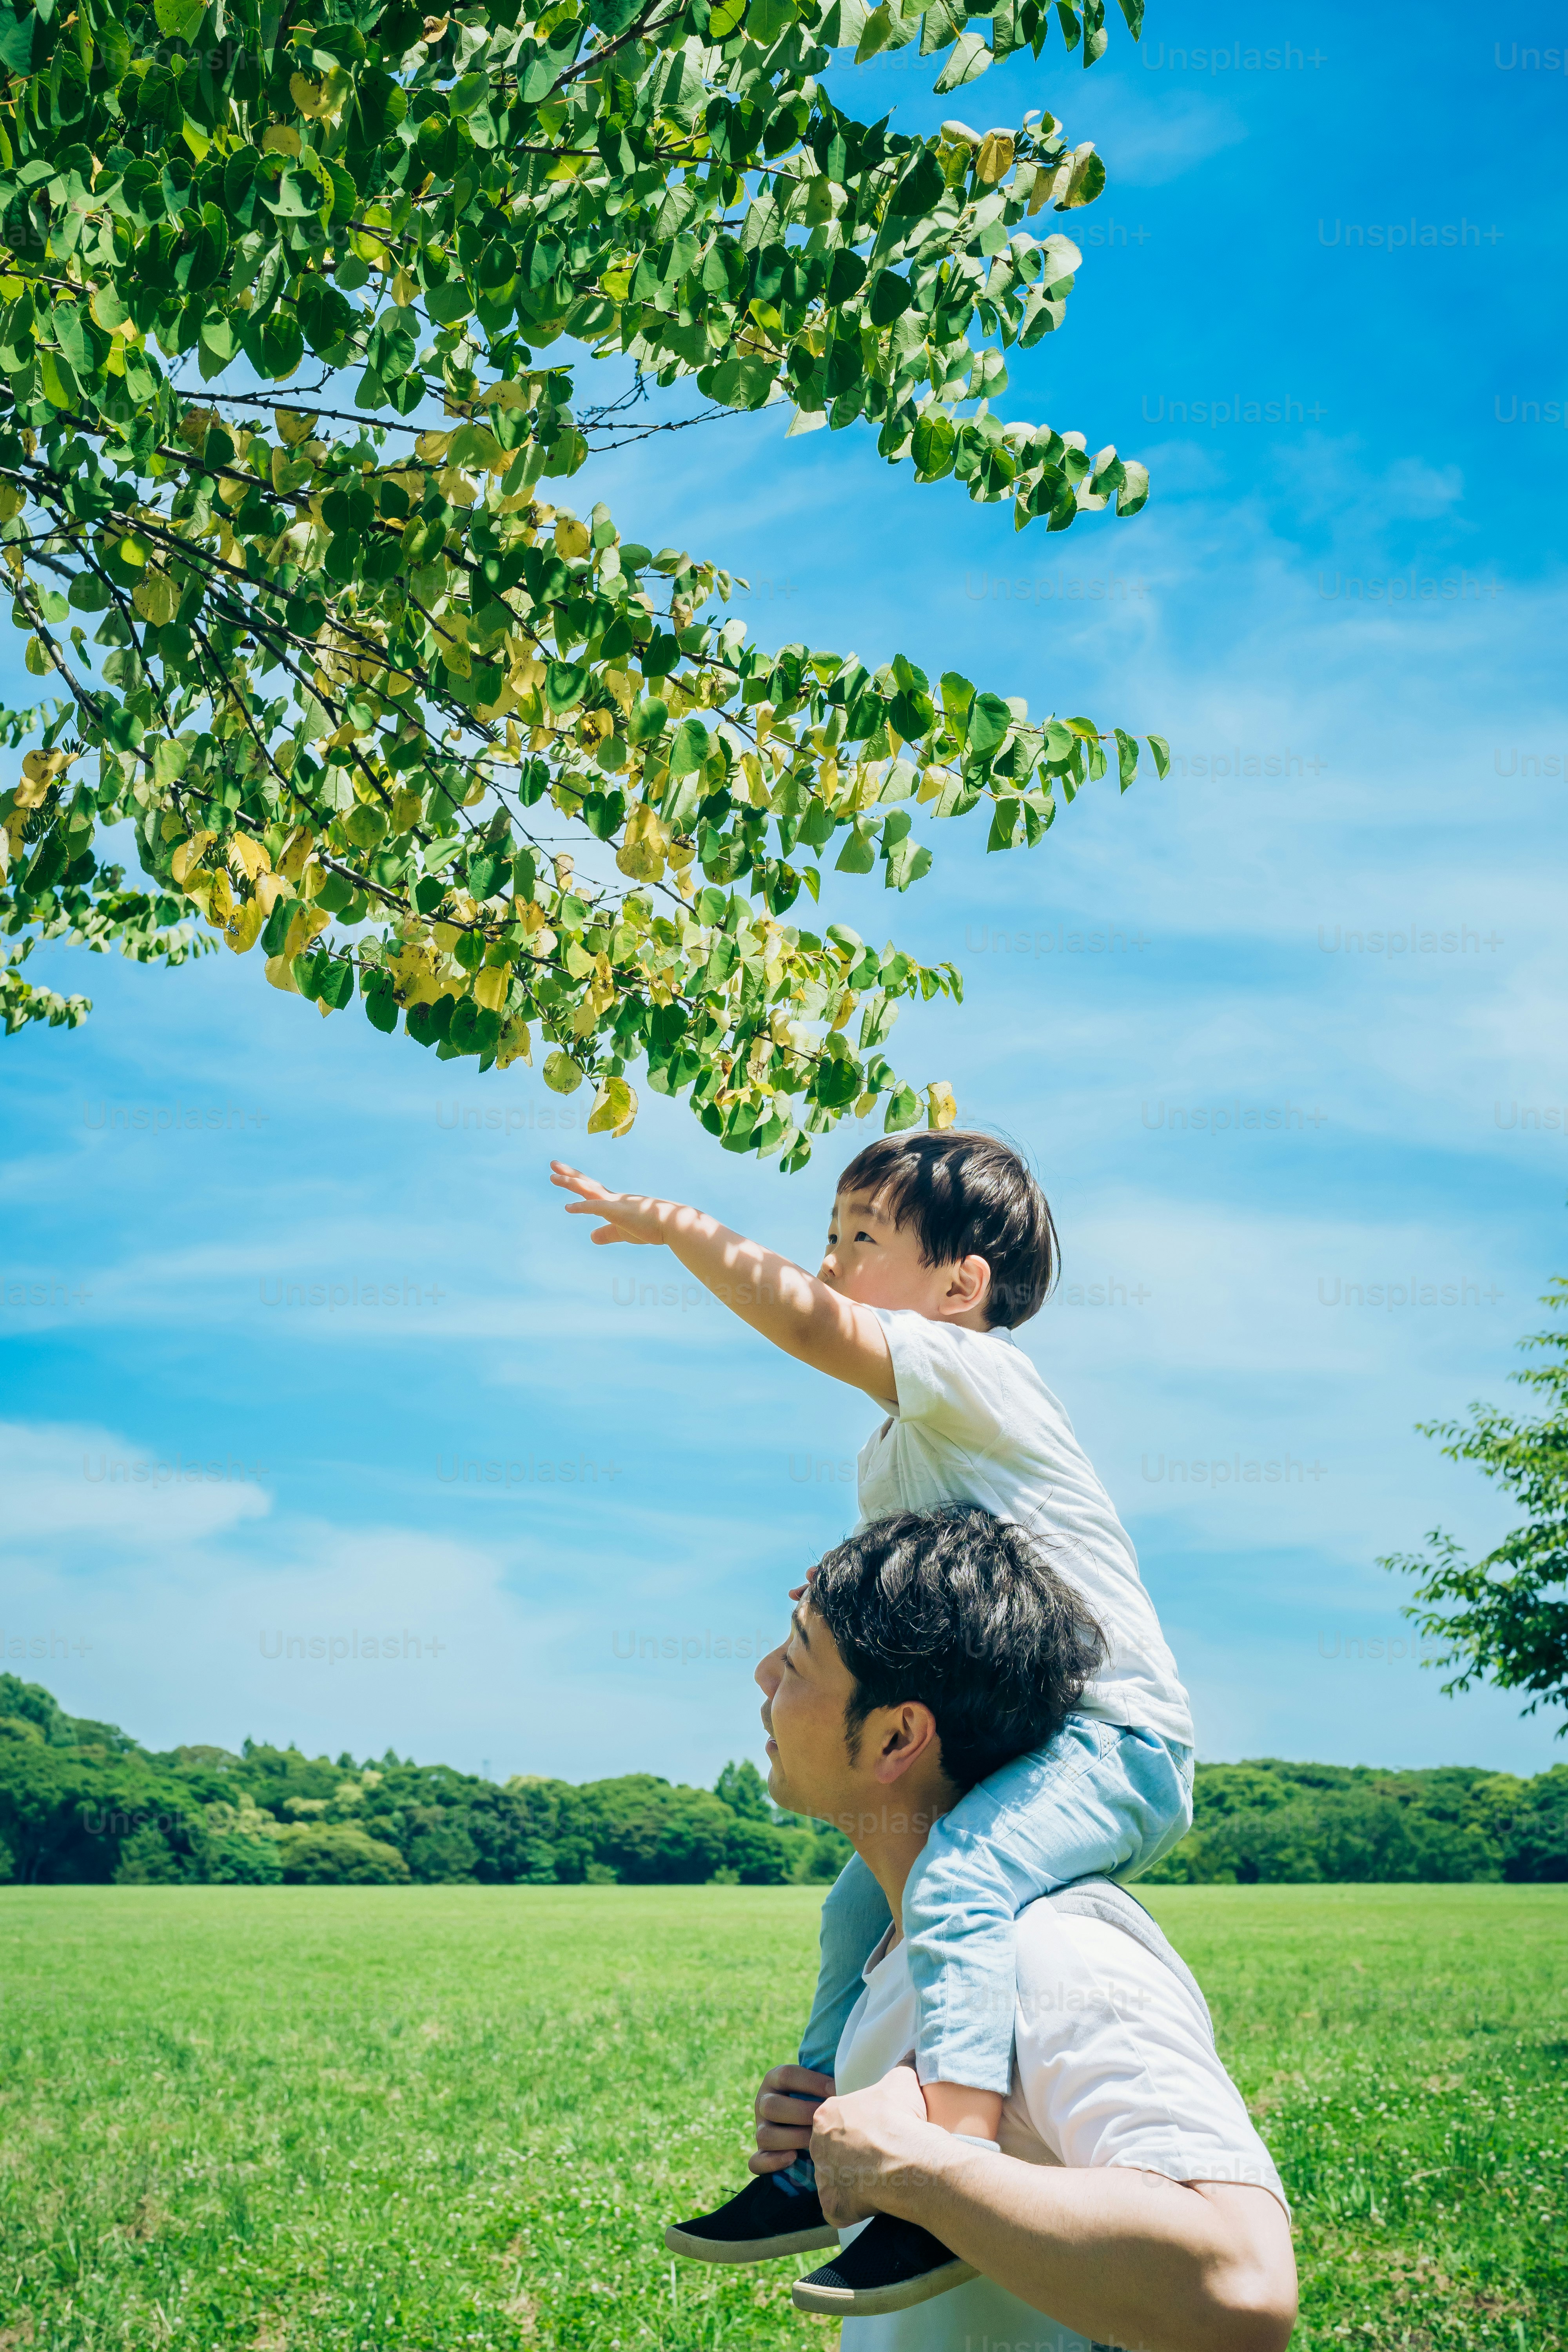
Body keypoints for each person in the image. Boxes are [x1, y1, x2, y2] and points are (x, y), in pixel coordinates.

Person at [553, 1129, 1195, 2308]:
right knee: (859, 1910)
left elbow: (811, 1327)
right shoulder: (900, 1452)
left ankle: (946, 2170)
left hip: (1107, 1739)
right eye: (829, 1237)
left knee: (954, 1885)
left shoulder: (981, 1374)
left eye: (862, 1239)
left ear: (962, 1288)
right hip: (1003, 1737)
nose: (833, 1262)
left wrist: (678, 1229)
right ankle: (811, 2153)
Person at [676, 1508, 1297, 2349]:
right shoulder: (902, 1948)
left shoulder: (1054, 1955)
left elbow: (1242, 2289)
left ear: (898, 1734)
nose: (760, 1677)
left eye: (793, 1659)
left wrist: (925, 2172)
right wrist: (843, 2143)